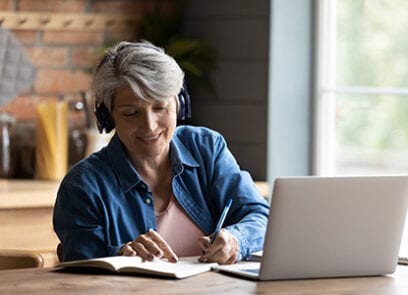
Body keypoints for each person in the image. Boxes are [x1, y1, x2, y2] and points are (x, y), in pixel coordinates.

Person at [53, 41, 269, 264]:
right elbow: (80, 263)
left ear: (178, 104)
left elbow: (259, 216)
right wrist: (120, 255)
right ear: (109, 116)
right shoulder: (83, 186)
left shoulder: (206, 148)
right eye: (131, 113)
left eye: (159, 108)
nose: (150, 126)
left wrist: (236, 239)